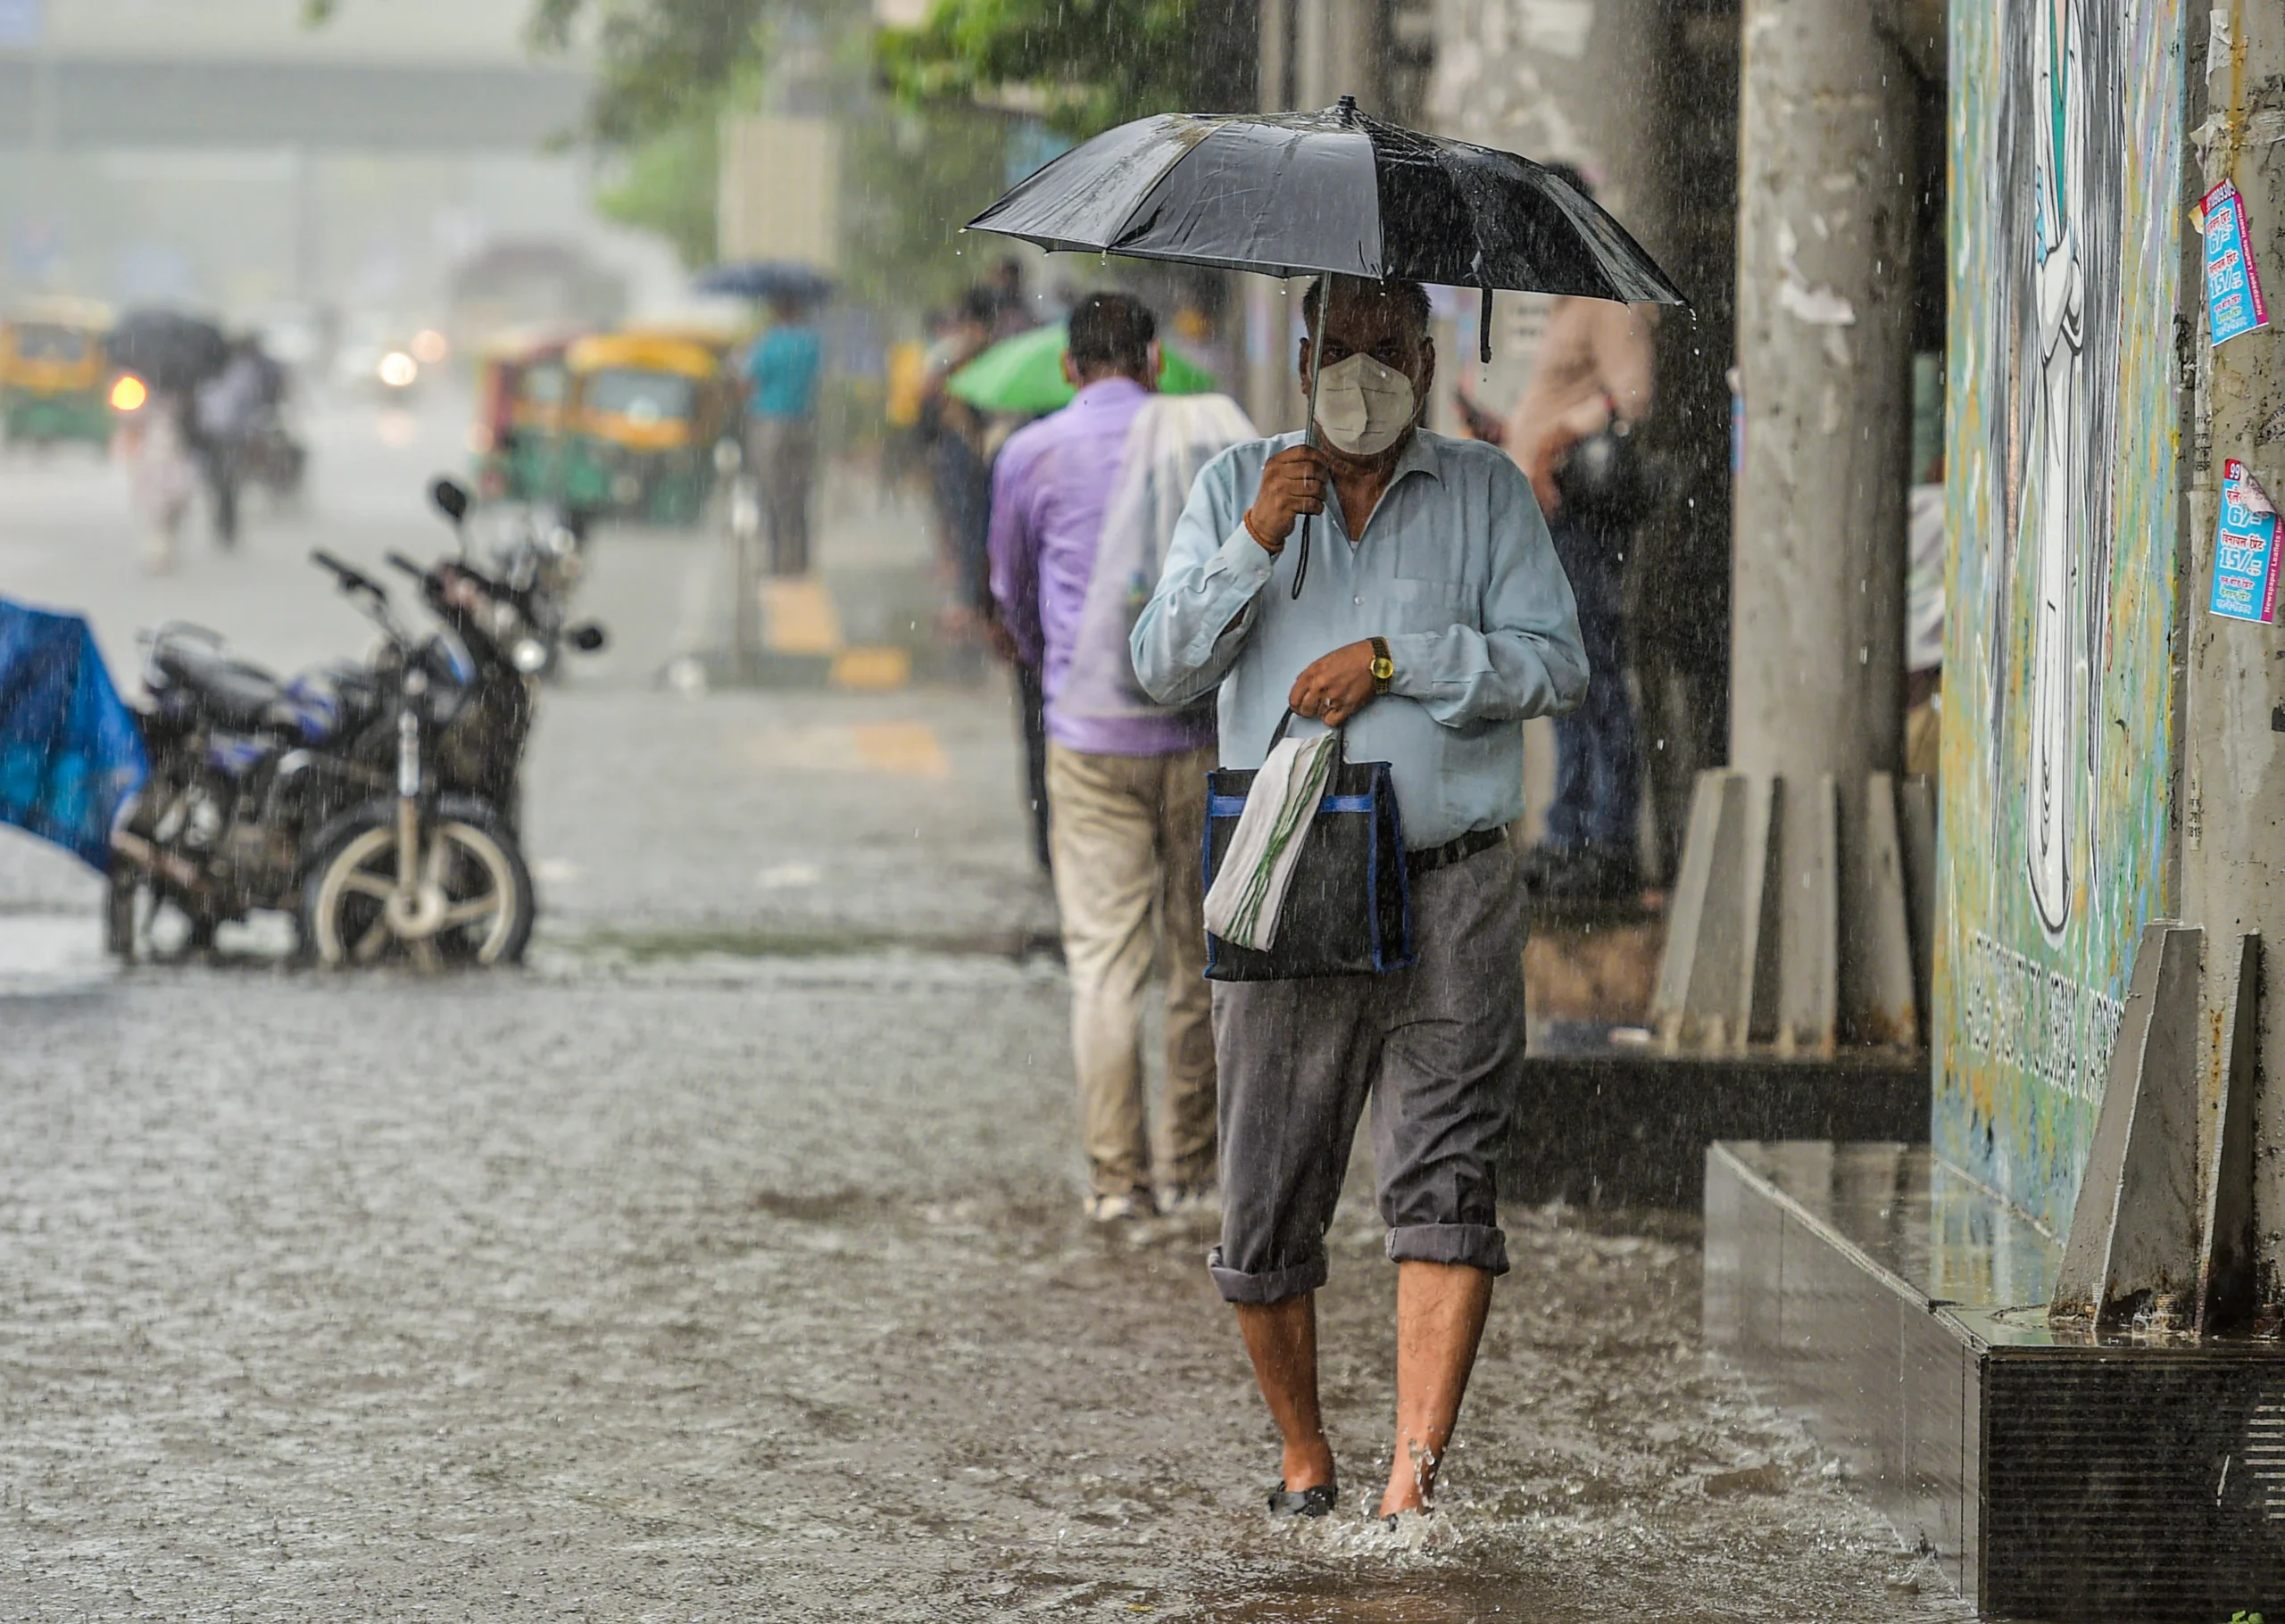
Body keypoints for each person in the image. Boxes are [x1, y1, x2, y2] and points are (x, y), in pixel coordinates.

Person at [1131, 276, 1587, 1520]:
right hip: (1287, 882)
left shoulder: (1487, 492)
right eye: (1342, 347)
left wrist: (1402, 661)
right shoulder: (1236, 488)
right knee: (1266, 1200)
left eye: (1390, 348)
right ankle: (1306, 1459)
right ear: (1300, 358)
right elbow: (1161, 663)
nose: (1364, 370)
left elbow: (1558, 663)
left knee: (1445, 1185)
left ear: (1431, 363)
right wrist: (1253, 545)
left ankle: (1411, 1484)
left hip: (1453, 890)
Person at [989, 293, 1248, 1221]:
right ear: (1150, 361)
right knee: (1196, 957)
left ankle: (1116, 1181)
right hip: (1196, 727)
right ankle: (1190, 1170)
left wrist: (1047, 654)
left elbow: (1010, 592)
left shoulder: (1027, 452)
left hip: (1089, 734)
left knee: (1103, 966)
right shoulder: (1197, 442)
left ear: (1067, 367)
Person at [1505, 163, 1657, 903]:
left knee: (1592, 671)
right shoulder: (1570, 297)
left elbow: (1630, 398)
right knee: (1565, 674)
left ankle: (1608, 835)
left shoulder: (1606, 293)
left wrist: (1549, 440)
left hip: (1579, 517)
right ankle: (1568, 829)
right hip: (1547, 517)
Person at [741, 293, 825, 576]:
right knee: (799, 492)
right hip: (803, 421)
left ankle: (776, 558)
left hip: (769, 422)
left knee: (771, 490)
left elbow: (748, 379)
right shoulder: (811, 343)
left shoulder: (766, 343)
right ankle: (800, 558)